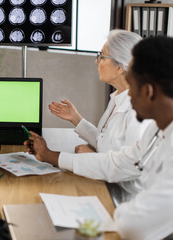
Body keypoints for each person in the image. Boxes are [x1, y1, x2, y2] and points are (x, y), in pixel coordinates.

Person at [27, 30, 150, 202]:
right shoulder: (119, 97)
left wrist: (50, 156)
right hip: (107, 186)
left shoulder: (141, 114)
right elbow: (107, 142)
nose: (96, 61)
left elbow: (119, 167)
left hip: (125, 201)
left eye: (102, 56)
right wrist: (76, 118)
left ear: (120, 66)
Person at [112, 36, 173, 240]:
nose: (129, 95)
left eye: (131, 87)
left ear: (147, 91)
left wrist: (121, 211)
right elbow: (122, 159)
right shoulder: (156, 129)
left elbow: (133, 225)